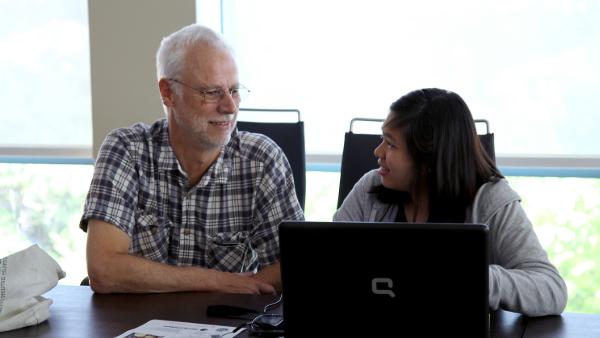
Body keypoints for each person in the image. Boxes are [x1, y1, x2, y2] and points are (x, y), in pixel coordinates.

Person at [79, 24, 303, 294]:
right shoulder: (126, 150)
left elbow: (292, 265)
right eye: (211, 92)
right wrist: (215, 280)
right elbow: (103, 270)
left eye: (233, 90)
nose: (230, 107)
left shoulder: (262, 159)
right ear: (168, 93)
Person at [334, 88, 567, 316]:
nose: (378, 151)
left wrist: (475, 277)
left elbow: (550, 288)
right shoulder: (371, 188)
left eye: (391, 144)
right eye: (382, 139)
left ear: (428, 160)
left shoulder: (490, 199)